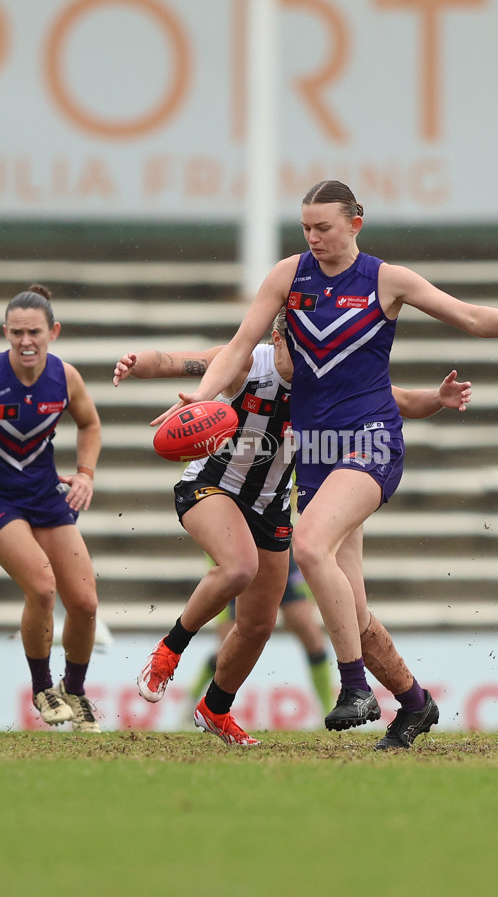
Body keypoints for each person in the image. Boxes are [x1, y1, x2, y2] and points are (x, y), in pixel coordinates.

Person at [156, 179, 498, 750]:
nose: (313, 238)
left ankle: (355, 688)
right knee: (351, 604)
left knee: (307, 545)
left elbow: (468, 317)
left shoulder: (386, 279)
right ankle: (414, 704)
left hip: (373, 438)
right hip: (320, 452)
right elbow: (236, 348)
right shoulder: (286, 276)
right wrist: (204, 397)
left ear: (356, 222)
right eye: (306, 228)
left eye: (324, 227)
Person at [113, 316, 471, 745]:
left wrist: (439, 397)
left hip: (271, 507)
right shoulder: (248, 364)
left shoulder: (329, 380)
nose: (310, 360)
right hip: (211, 486)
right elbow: (182, 362)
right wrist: (138, 363)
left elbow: (403, 402)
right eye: (300, 347)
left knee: (258, 625)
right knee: (239, 567)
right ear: (277, 338)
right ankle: (167, 653)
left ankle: (215, 709)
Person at [0, 284, 102, 732]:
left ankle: (74, 691)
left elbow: (90, 424)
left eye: (34, 332)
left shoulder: (66, 377)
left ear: (53, 332)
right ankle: (42, 688)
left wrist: (85, 473)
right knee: (42, 586)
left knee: (84, 602)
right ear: (6, 332)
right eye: (17, 332)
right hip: (3, 500)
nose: (26, 341)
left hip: (45, 496)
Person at [185, 549, 333, 717]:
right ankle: (192, 701)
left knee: (310, 632)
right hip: (237, 557)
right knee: (228, 646)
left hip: (279, 552)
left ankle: (327, 711)